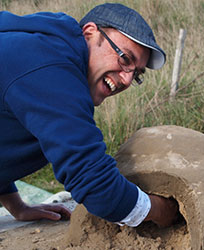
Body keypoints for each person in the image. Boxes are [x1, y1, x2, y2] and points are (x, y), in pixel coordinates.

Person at [0, 3, 178, 228]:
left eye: (137, 74)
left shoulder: (43, 56)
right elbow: (95, 183)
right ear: (90, 33)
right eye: (125, 59)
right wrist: (161, 211)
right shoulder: (49, 67)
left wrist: (16, 205)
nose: (126, 79)